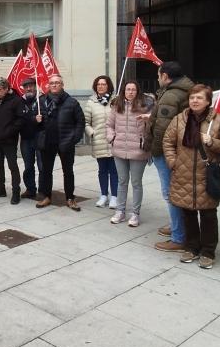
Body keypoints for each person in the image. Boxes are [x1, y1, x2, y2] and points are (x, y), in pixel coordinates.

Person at [163, 84, 220, 269]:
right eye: (192, 97)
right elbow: (168, 142)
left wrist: (212, 142)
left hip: (207, 175)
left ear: (208, 101)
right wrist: (173, 162)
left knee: (209, 214)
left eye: (199, 98)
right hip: (183, 174)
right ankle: (192, 247)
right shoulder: (180, 119)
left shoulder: (218, 120)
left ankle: (208, 251)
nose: (194, 101)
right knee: (188, 212)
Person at [149, 61, 195, 252]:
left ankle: (179, 237)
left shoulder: (172, 94)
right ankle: (177, 227)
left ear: (165, 76)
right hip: (178, 151)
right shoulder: (183, 90)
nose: (158, 78)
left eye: (159, 75)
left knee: (171, 193)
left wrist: (156, 150)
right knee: (176, 192)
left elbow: (162, 128)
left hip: (167, 152)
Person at [106, 80, 155, 226]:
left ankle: (135, 214)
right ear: (124, 91)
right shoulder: (117, 105)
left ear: (137, 91)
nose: (131, 92)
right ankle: (120, 211)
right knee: (122, 181)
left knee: (136, 183)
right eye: (128, 89)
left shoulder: (145, 106)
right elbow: (109, 125)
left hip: (138, 150)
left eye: (133, 89)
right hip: (119, 148)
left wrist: (148, 119)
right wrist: (112, 138)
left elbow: (154, 124)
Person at [35, 74, 85, 211]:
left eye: (57, 83)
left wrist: (74, 139)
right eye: (52, 83)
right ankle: (46, 196)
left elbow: (80, 122)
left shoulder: (72, 102)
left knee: (68, 171)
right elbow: (34, 123)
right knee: (46, 171)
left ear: (62, 85)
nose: (54, 85)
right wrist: (36, 120)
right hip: (47, 142)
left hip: (65, 142)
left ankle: (70, 198)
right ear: (48, 85)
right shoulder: (42, 101)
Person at [0, 77, 25, 204]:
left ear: (6, 89)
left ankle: (16, 192)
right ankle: (1, 189)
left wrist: (8, 132)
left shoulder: (16, 101)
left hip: (9, 140)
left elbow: (20, 121)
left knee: (12, 165)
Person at [84, 75, 119, 209]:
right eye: (98, 84)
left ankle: (115, 197)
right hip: (98, 141)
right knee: (102, 170)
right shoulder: (91, 102)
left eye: (103, 84)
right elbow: (86, 122)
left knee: (114, 170)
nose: (101, 86)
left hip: (113, 141)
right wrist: (91, 133)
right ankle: (104, 195)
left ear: (108, 86)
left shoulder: (116, 101)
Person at [18, 78, 43, 199]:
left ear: (35, 86)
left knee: (42, 166)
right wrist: (33, 119)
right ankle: (30, 189)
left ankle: (43, 190)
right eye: (26, 86)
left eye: (31, 86)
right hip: (26, 139)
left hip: (40, 138)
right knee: (28, 166)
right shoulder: (20, 101)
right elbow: (20, 118)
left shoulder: (42, 99)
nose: (28, 88)